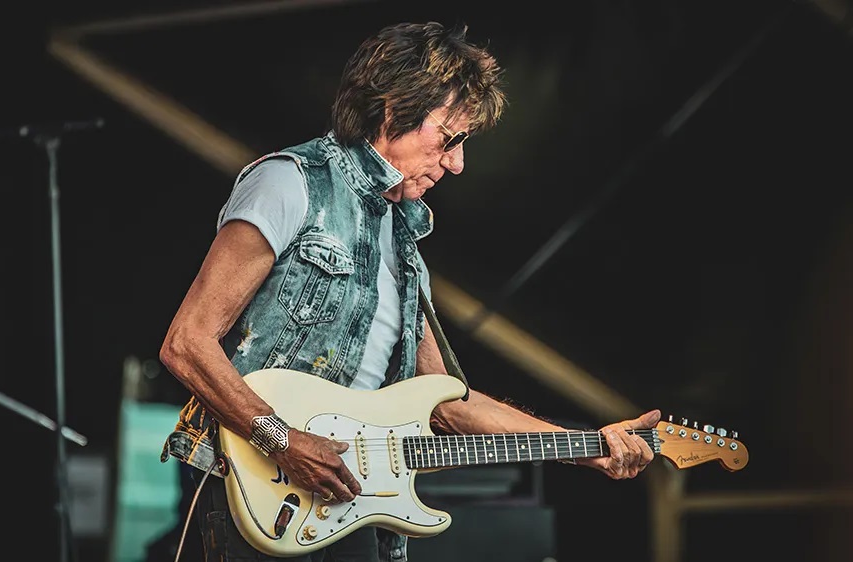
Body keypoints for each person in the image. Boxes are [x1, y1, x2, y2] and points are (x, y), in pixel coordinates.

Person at [158, 20, 662, 562]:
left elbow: (446, 403)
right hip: (250, 488)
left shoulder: (404, 246)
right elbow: (186, 343)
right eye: (450, 138)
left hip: (345, 506)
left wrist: (586, 447)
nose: (457, 162)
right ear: (395, 110)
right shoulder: (292, 182)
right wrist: (284, 441)